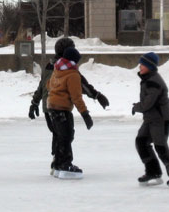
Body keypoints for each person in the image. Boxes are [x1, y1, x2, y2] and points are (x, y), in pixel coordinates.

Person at [29, 37, 109, 174]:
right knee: (64, 135)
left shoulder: (52, 66)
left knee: (59, 134)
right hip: (59, 106)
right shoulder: (69, 69)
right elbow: (82, 86)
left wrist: (35, 103)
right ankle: (62, 163)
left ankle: (57, 161)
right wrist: (96, 96)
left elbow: (42, 86)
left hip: (48, 106)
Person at [132, 52, 169, 187]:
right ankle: (153, 171)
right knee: (141, 141)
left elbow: (147, 104)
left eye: (143, 64)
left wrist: (136, 107)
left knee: (160, 146)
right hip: (152, 118)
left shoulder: (153, 81)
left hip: (161, 119)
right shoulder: (148, 78)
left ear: (150, 66)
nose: (140, 66)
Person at [47, 47, 93, 179]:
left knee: (61, 136)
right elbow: (76, 97)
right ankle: (65, 164)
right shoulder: (73, 74)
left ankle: (57, 163)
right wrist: (85, 114)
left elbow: (48, 85)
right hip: (62, 108)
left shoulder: (57, 69)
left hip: (52, 107)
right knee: (66, 136)